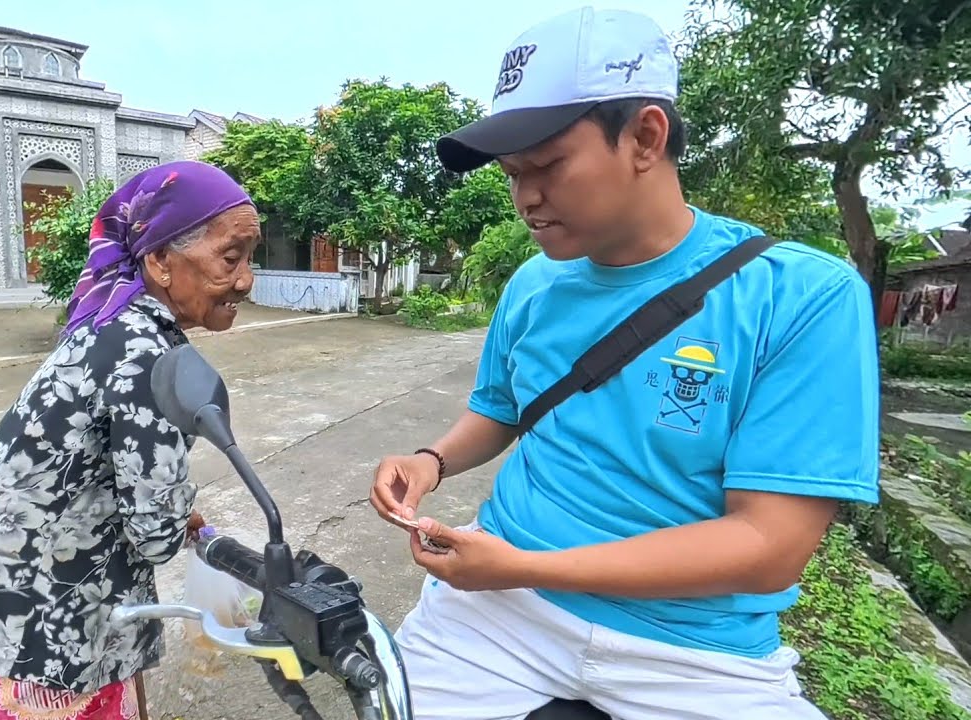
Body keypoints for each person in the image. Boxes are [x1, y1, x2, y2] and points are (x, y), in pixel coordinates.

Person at [370, 7, 878, 720]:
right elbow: (500, 408)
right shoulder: (533, 284)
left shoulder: (803, 297)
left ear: (645, 136)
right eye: (512, 173)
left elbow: (769, 545)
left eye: (546, 166)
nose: (525, 198)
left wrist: (522, 567)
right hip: (497, 616)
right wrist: (432, 460)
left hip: (696, 651)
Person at [0, 161, 260, 720]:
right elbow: (155, 535)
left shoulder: (117, 320)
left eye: (250, 257)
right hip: (32, 574)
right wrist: (173, 514)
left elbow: (109, 468)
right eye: (231, 258)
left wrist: (172, 508)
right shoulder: (147, 353)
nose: (246, 279)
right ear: (159, 260)